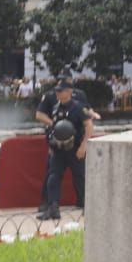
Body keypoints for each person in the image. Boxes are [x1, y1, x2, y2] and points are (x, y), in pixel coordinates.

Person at [36, 80, 93, 221]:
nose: (57, 93)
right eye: (57, 91)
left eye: (60, 91)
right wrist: (51, 145)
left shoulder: (78, 108)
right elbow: (53, 128)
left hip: (75, 149)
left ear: (69, 92)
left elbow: (89, 126)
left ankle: (87, 205)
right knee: (53, 177)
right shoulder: (55, 108)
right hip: (58, 149)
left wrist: (84, 146)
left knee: (80, 177)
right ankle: (53, 207)